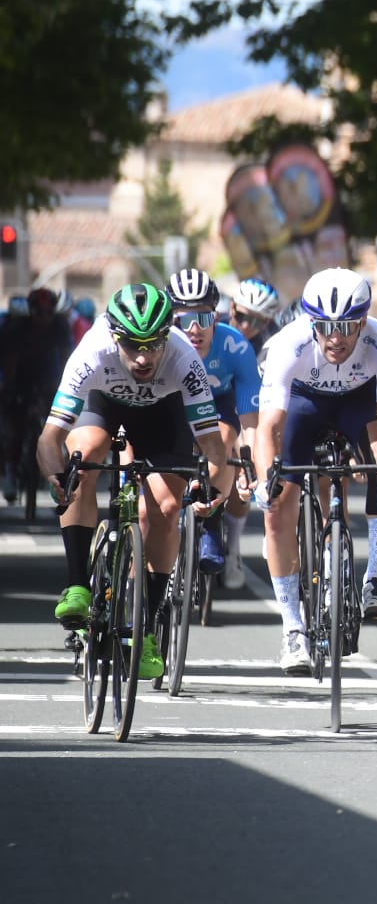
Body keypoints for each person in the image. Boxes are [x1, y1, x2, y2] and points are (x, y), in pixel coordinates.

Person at [42, 283, 231, 678]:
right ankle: (78, 585)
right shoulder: (92, 351)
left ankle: (145, 626)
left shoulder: (184, 358)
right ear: (115, 337)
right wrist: (55, 474)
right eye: (132, 345)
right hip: (104, 405)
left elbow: (215, 448)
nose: (144, 357)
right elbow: (50, 438)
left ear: (167, 337)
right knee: (84, 458)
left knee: (162, 508)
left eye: (153, 345)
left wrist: (213, 489)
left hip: (164, 415)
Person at [253, 268, 377, 675]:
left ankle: (375, 577)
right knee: (277, 506)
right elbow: (268, 426)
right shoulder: (290, 344)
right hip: (304, 403)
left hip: (358, 399)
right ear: (311, 323)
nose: (335, 337)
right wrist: (263, 479)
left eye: (346, 326)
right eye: (325, 327)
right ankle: (293, 629)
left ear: (362, 322)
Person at [164, 269, 262, 589]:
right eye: (185, 319)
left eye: (204, 319)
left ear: (217, 318)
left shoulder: (236, 347)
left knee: (223, 441)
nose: (195, 329)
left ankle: (210, 521)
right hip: (172, 406)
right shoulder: (160, 345)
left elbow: (251, 421)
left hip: (218, 405)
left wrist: (251, 465)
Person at [1, 287, 75, 501]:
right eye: (39, 313)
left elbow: (65, 359)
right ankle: (12, 470)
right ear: (31, 311)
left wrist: (63, 387)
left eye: (49, 312)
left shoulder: (60, 327)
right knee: (15, 422)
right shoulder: (17, 328)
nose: (44, 318)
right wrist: (9, 388)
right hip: (19, 374)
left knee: (56, 421)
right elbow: (9, 362)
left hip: (46, 373)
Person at [227, 278, 282, 359]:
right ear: (232, 308)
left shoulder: (269, 349)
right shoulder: (211, 330)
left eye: (256, 322)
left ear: (266, 323)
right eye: (241, 316)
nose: (245, 326)